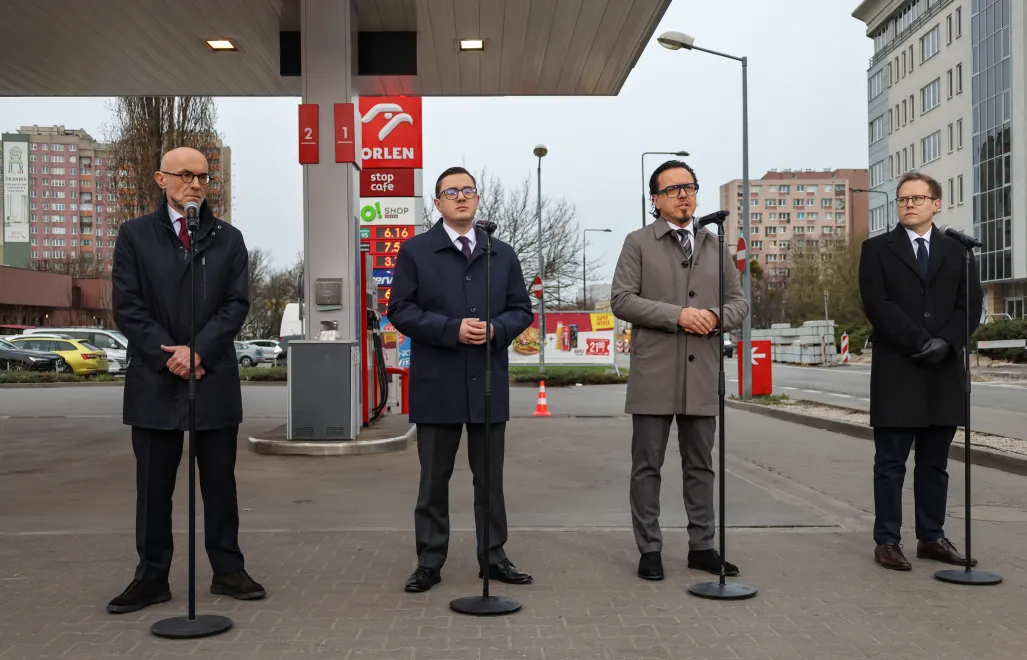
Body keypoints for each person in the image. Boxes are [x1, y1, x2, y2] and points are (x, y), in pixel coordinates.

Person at [107, 147, 266, 613]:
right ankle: (151, 576)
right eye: (185, 176)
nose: (195, 184)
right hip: (156, 380)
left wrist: (199, 350)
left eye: (202, 176)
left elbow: (236, 304)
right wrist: (170, 355)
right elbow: (128, 305)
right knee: (154, 486)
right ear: (161, 179)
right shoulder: (135, 235)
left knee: (219, 483)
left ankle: (227, 569)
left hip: (211, 375)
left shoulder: (227, 238)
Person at [387, 166, 534, 593]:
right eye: (451, 192)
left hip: (488, 382)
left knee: (491, 480)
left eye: (468, 190)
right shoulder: (416, 251)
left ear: (478, 198)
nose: (461, 197)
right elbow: (400, 309)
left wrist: (495, 329)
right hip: (438, 382)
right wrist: (451, 329)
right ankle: (429, 561)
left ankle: (494, 556)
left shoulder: (500, 253)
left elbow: (521, 309)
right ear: (437, 203)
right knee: (434, 480)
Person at [610, 159, 748, 581]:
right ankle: (649, 549)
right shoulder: (638, 242)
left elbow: (738, 302)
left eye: (688, 186)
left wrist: (714, 315)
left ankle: (702, 547)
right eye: (672, 189)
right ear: (655, 200)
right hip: (655, 371)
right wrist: (679, 315)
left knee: (700, 465)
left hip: (702, 373)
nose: (683, 194)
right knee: (647, 465)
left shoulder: (713, 243)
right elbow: (622, 300)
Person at [858, 171, 983, 571]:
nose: (908, 204)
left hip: (943, 370)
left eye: (916, 198)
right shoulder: (877, 249)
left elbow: (970, 306)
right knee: (890, 463)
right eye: (902, 199)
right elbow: (877, 305)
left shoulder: (959, 251)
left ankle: (931, 536)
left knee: (935, 464)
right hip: (898, 368)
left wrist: (946, 342)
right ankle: (887, 541)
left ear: (936, 203)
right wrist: (918, 341)